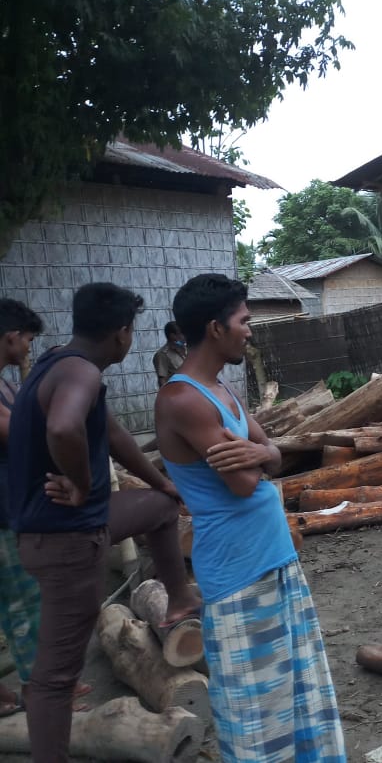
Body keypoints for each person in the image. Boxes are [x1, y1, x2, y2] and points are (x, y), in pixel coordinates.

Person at [154, 273, 346, 762]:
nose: (250, 330)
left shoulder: (222, 391)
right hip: (238, 571)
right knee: (256, 706)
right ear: (216, 328)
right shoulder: (183, 399)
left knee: (297, 687)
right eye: (244, 321)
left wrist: (262, 452)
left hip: (272, 558)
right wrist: (264, 455)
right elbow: (243, 483)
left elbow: (274, 456)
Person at [7, 282, 200, 763]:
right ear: (122, 334)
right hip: (65, 540)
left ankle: (178, 602)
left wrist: (163, 482)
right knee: (54, 678)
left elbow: (114, 435)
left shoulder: (61, 362)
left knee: (157, 507)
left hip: (72, 527)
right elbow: (63, 427)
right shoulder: (79, 374)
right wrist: (79, 480)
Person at [0, 299, 43, 717]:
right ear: (11, 337)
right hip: (3, 513)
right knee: (22, 600)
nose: (28, 347)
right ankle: (38, 689)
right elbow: (19, 432)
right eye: (27, 339)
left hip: (12, 504)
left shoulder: (7, 383)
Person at [153, 320, 187, 387]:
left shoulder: (186, 349)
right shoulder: (162, 354)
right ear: (173, 336)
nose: (184, 337)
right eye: (181, 333)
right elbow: (162, 381)